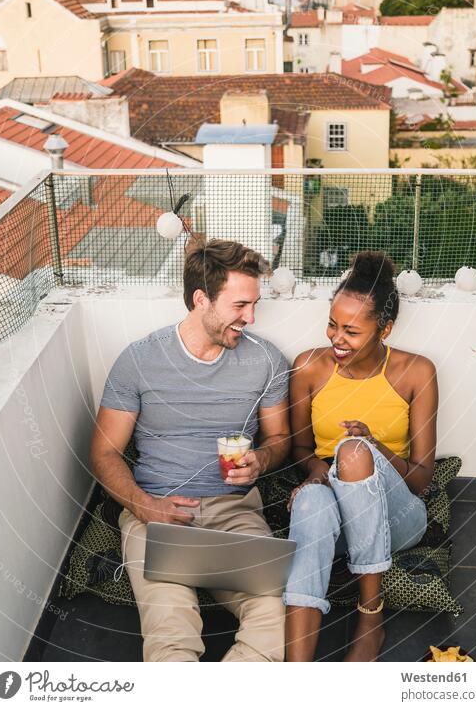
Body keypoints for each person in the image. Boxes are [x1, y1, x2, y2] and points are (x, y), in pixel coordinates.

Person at [90, 239, 291, 662]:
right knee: (170, 632)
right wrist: (146, 508)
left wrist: (262, 460)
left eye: (254, 305)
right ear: (202, 299)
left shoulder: (266, 361)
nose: (251, 318)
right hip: (158, 515)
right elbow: (104, 454)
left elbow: (279, 440)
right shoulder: (139, 361)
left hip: (234, 513)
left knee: (275, 611)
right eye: (240, 306)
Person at [283, 251, 438, 662]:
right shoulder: (308, 368)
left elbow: (422, 479)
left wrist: (374, 447)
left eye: (351, 331)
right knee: (313, 501)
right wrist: (316, 473)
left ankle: (371, 616)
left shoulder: (417, 372)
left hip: (397, 517)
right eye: (332, 324)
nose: (336, 338)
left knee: (353, 451)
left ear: (384, 329)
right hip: (336, 522)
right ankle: (294, 672)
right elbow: (300, 448)